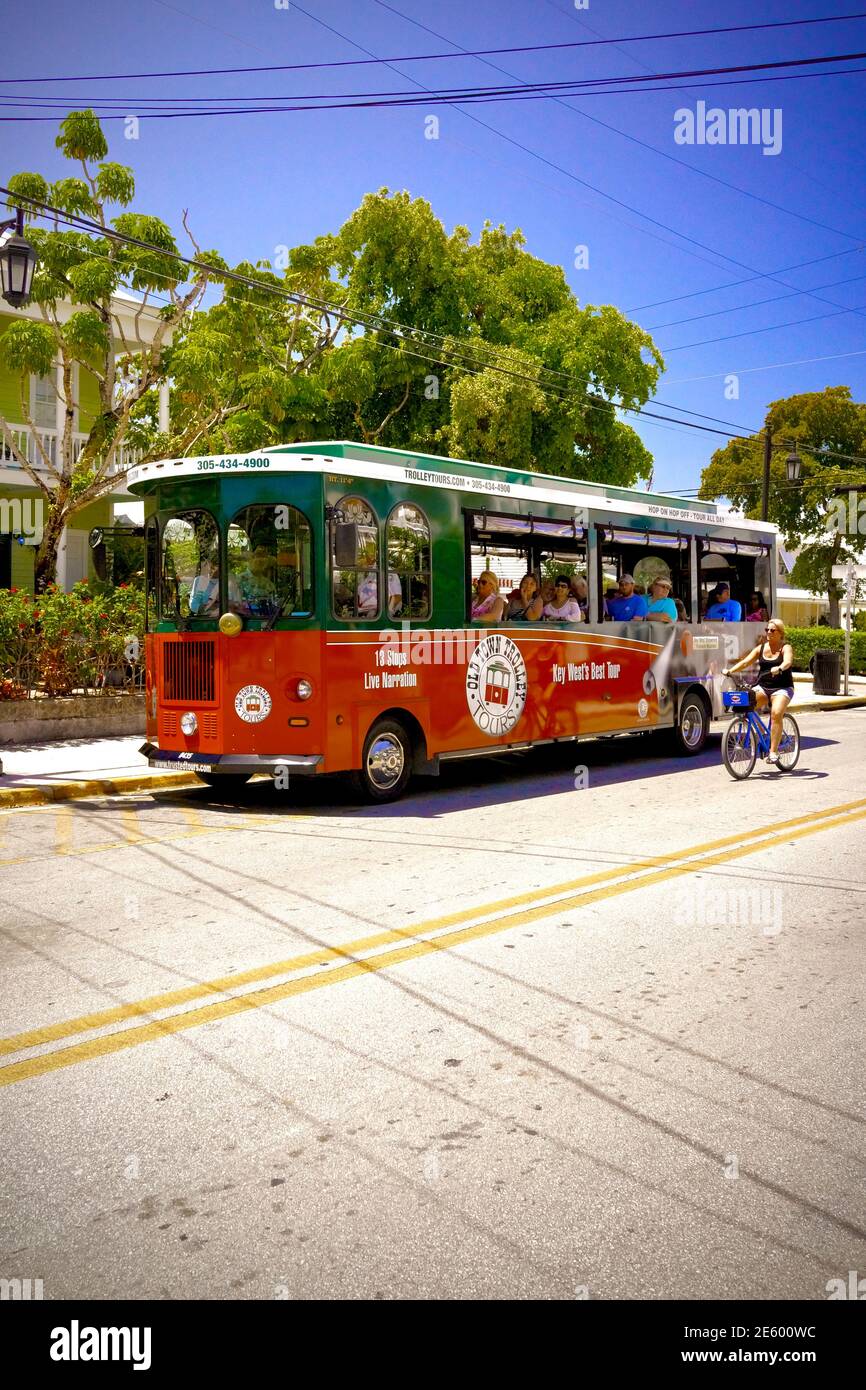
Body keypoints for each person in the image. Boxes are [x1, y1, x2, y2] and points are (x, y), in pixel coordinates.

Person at [723, 618, 795, 764]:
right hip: (763, 686)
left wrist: (780, 667)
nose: (769, 632)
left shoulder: (785, 647)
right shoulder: (761, 648)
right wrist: (730, 671)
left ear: (780, 633)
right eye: (767, 630)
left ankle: (773, 752)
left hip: (782, 688)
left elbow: (788, 661)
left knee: (775, 714)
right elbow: (745, 662)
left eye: (772, 630)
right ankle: (763, 733)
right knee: (746, 705)